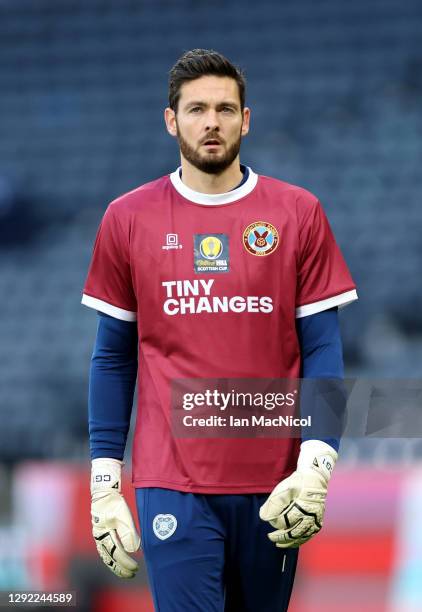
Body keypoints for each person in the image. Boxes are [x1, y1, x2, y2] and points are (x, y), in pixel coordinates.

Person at [82, 49, 358, 612]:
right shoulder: (127, 218)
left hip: (275, 483)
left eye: (225, 109)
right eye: (197, 109)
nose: (212, 122)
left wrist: (317, 463)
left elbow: (323, 348)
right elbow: (113, 357)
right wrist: (105, 482)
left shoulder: (297, 213)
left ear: (246, 119)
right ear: (171, 119)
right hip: (172, 484)